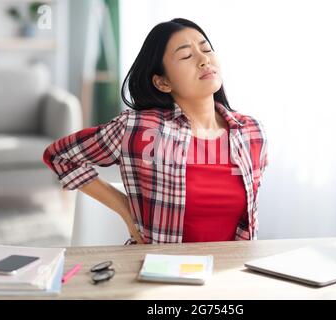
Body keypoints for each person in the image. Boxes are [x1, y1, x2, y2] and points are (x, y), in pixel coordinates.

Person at [43, 18, 268, 245]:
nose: (204, 60)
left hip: (231, 272)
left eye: (206, 49)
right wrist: (124, 207)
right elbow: (59, 155)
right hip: (161, 269)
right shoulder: (139, 129)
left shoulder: (251, 133)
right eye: (186, 56)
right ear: (162, 82)